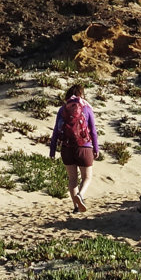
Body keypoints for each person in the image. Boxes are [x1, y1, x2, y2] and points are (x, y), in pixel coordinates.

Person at [48, 83, 100, 212]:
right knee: (87, 177)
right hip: (84, 147)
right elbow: (93, 130)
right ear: (81, 95)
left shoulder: (62, 109)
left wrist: (52, 150)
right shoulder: (86, 108)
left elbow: (55, 131)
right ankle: (80, 196)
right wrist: (96, 148)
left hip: (66, 148)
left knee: (72, 179)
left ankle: (76, 207)